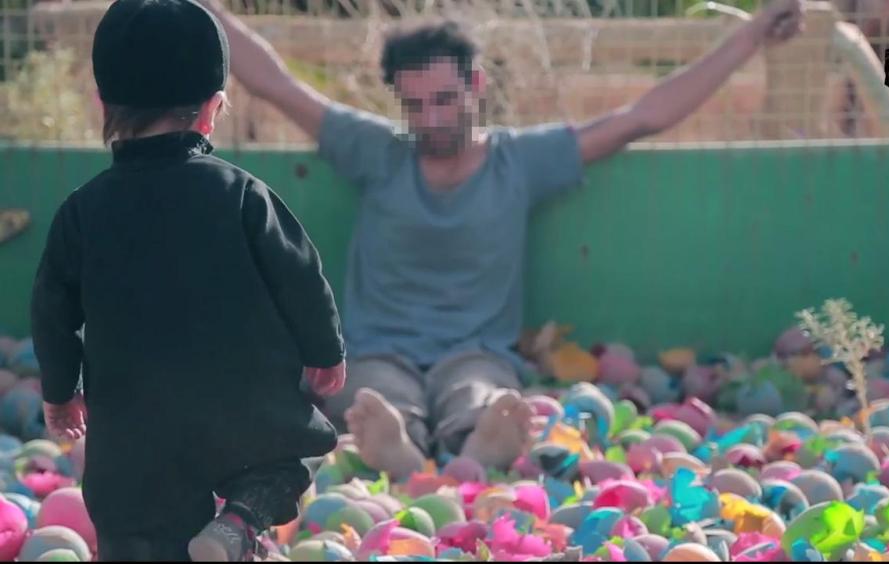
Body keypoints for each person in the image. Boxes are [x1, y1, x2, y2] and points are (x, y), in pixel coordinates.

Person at [200, 0, 803, 480]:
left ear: (476, 85)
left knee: (481, 394)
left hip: (476, 349)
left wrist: (750, 37)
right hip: (380, 348)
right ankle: (398, 446)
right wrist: (201, 8)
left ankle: (477, 443)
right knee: (376, 394)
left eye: (445, 100)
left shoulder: (521, 161)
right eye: (415, 106)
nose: (432, 119)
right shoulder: (377, 150)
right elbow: (276, 83)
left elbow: (643, 116)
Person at [30, 0, 348, 561]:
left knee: (133, 522)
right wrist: (324, 353)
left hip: (132, 423)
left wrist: (61, 391)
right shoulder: (243, 195)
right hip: (242, 414)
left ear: (102, 104)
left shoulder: (81, 212)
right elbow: (301, 276)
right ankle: (241, 520)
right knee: (295, 451)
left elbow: (51, 308)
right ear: (212, 109)